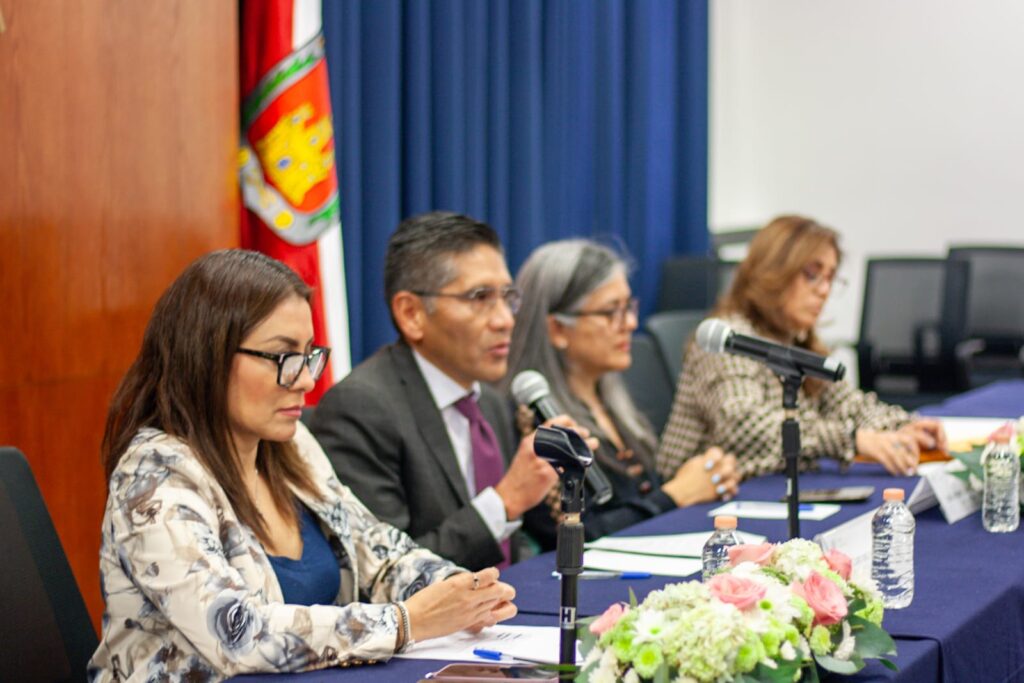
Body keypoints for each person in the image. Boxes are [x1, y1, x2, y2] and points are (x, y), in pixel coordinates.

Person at [90, 250, 516, 681]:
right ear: (206, 356)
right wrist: (404, 622)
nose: (308, 381)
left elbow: (382, 555)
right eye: (283, 357)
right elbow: (237, 634)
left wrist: (463, 590)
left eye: (310, 355)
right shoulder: (154, 475)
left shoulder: (292, 445)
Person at [310, 212, 572, 571]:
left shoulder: (490, 402)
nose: (505, 320)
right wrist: (505, 502)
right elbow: (385, 571)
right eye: (480, 297)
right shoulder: (360, 408)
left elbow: (512, 549)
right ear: (411, 314)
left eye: (507, 297)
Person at [658, 215, 947, 481]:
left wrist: (900, 427)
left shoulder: (795, 340)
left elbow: (847, 404)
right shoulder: (729, 339)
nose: (824, 290)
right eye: (812, 275)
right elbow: (744, 428)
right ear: (772, 273)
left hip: (767, 487)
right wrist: (853, 439)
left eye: (830, 278)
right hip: (700, 502)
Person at [501, 239, 741, 547]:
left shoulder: (614, 399)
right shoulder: (532, 416)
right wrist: (676, 494)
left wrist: (704, 477)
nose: (630, 323)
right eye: (610, 312)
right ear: (558, 329)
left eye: (629, 307)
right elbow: (569, 537)